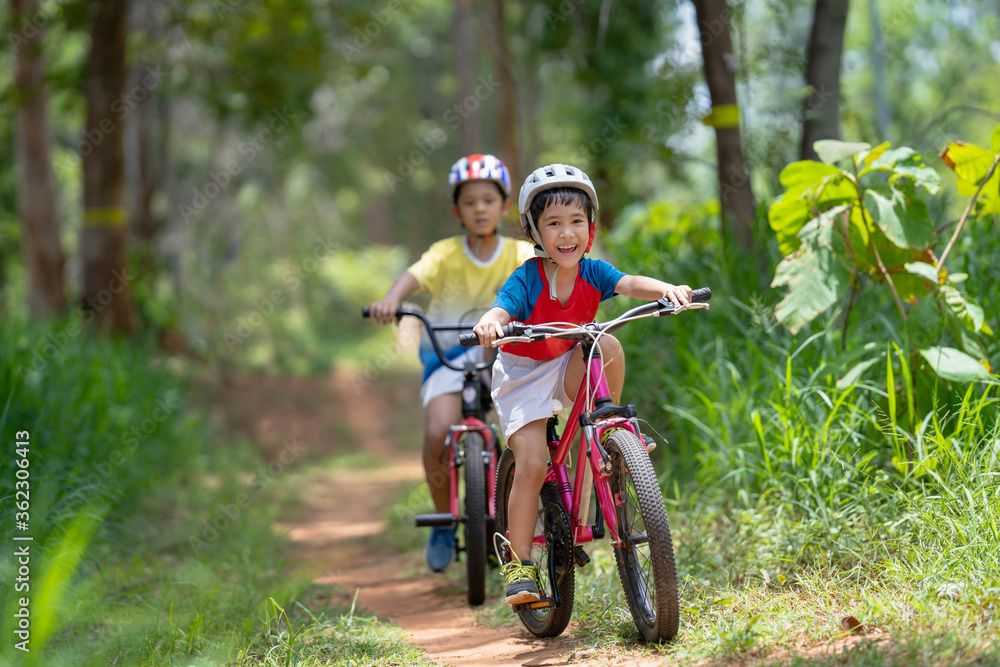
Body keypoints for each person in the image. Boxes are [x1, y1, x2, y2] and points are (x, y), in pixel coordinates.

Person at [472, 163, 693, 604]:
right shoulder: (527, 278)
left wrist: (666, 289)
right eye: (553, 223)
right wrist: (491, 322)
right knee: (533, 465)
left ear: (590, 227)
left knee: (604, 343)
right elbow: (502, 308)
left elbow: (628, 283)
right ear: (535, 232)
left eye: (576, 221)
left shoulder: (594, 272)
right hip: (522, 372)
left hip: (568, 360)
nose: (566, 232)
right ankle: (519, 564)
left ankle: (609, 431)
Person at [369, 154, 534, 572]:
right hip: (448, 356)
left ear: (503, 206)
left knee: (525, 431)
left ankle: (525, 516)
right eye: (470, 202)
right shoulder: (444, 253)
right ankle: (444, 520)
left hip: (506, 356)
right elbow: (412, 276)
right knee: (437, 430)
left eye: (488, 200)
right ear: (456, 210)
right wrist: (392, 299)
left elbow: (544, 278)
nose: (479, 208)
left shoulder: (519, 253)